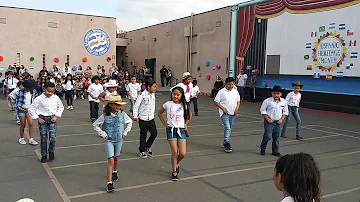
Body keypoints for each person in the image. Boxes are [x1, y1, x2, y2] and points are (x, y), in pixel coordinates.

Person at [93, 94, 133, 193]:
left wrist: (125, 132)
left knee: (116, 158)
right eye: (116, 105)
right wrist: (103, 134)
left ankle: (115, 171)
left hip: (119, 140)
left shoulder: (122, 114)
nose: (118, 107)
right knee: (110, 160)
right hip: (109, 140)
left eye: (120, 105)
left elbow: (130, 122)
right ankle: (109, 183)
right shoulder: (105, 115)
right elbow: (95, 125)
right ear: (110, 104)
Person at [158, 87, 192, 181]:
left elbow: (189, 115)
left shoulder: (184, 105)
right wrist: (164, 123)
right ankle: (174, 171)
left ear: (181, 96)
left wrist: (186, 124)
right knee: (174, 152)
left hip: (181, 130)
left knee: (182, 153)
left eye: (178, 95)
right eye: (174, 94)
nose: (175, 96)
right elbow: (159, 113)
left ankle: (176, 163)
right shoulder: (168, 104)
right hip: (171, 130)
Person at [29, 82, 64, 163]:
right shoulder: (39, 98)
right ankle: (44, 155)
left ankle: (51, 151)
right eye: (48, 91)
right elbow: (31, 109)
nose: (50, 93)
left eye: (52, 91)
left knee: (53, 137)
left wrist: (56, 116)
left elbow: (61, 107)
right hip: (43, 120)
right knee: (44, 138)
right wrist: (37, 118)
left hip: (52, 119)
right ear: (44, 89)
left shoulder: (55, 98)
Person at [260, 85, 288, 157]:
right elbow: (263, 110)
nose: (276, 95)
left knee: (276, 137)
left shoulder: (284, 102)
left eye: (278, 93)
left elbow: (285, 112)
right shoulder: (267, 101)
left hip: (278, 122)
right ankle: (263, 148)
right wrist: (268, 118)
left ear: (281, 94)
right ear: (272, 93)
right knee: (268, 136)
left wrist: (281, 119)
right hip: (269, 121)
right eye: (274, 93)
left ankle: (275, 151)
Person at [214, 77, 240, 153]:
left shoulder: (235, 91)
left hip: (233, 112)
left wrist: (237, 109)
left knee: (229, 127)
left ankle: (226, 140)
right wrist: (223, 108)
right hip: (225, 113)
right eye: (229, 84)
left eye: (232, 84)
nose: (231, 86)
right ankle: (227, 143)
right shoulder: (221, 92)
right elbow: (216, 102)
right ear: (226, 84)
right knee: (227, 127)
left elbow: (238, 101)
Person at [133, 80, 158, 159]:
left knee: (154, 133)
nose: (155, 88)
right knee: (143, 135)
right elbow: (136, 106)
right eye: (154, 86)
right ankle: (142, 150)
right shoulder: (142, 95)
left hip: (151, 118)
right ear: (148, 87)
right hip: (143, 118)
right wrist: (135, 116)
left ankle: (147, 146)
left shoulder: (153, 94)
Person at [11, 80, 38, 146]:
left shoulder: (32, 92)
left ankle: (31, 139)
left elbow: (34, 100)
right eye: (28, 88)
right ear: (25, 87)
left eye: (30, 88)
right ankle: (21, 138)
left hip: (29, 110)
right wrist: (17, 107)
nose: (29, 89)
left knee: (31, 124)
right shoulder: (19, 92)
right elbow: (13, 100)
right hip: (21, 110)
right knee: (23, 124)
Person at [171, 72, 193, 137]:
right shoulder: (180, 85)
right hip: (182, 102)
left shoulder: (191, 84)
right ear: (185, 79)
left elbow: (191, 91)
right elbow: (172, 89)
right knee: (181, 115)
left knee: (187, 115)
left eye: (190, 79)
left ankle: (185, 127)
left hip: (188, 102)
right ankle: (180, 129)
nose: (189, 81)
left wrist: (191, 95)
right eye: (188, 79)